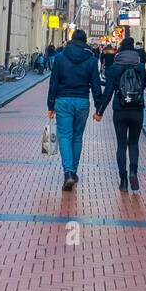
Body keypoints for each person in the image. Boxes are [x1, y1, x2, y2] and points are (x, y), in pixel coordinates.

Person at [47, 27, 102, 190]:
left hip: (63, 101)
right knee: (77, 137)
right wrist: (99, 108)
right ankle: (73, 171)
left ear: (71, 40)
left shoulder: (60, 58)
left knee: (64, 136)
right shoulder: (91, 60)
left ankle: (69, 172)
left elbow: (53, 82)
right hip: (82, 101)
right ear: (85, 41)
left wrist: (50, 105)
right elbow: (96, 85)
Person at [96, 36, 146, 191]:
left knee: (121, 145)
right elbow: (143, 85)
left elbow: (109, 92)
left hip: (120, 109)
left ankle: (123, 180)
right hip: (137, 109)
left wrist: (100, 111)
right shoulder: (140, 66)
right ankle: (133, 171)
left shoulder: (114, 67)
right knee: (133, 143)